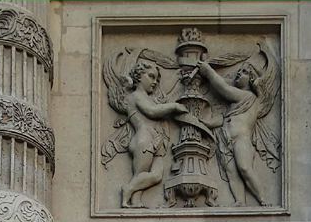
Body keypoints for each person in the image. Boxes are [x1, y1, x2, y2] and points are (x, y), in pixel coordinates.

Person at [195, 46, 280, 206]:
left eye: (244, 73)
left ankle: (262, 200)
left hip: (241, 140)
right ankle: (240, 201)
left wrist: (208, 71)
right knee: (231, 172)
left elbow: (224, 89)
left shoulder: (248, 96)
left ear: (252, 79)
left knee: (245, 168)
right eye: (238, 71)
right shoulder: (234, 104)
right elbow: (224, 118)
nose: (239, 74)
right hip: (225, 140)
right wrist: (206, 122)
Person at [102, 57, 188, 208]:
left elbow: (162, 101)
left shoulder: (149, 97)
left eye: (157, 78)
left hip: (157, 141)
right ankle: (128, 190)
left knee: (156, 176)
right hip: (144, 139)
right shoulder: (135, 96)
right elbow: (152, 111)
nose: (155, 82)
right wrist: (173, 107)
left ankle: (135, 200)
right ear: (138, 76)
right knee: (140, 173)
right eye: (151, 76)